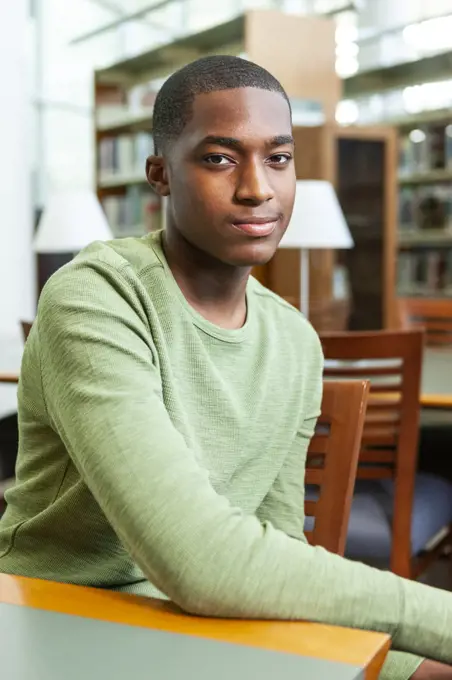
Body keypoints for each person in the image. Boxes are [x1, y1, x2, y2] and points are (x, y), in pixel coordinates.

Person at [0, 56, 451, 680]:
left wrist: (401, 663)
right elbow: (196, 560)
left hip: (207, 629)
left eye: (279, 158)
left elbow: (279, 555)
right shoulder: (96, 294)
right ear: (159, 174)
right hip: (59, 623)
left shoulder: (295, 340)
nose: (258, 188)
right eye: (219, 158)